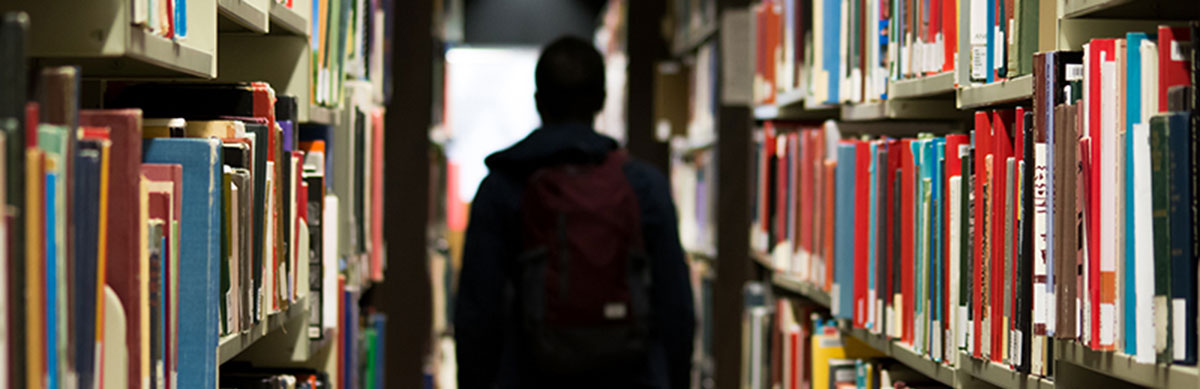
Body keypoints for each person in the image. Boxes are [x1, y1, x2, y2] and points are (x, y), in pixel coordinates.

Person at [454, 36, 695, 389]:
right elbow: (677, 309)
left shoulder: (501, 188)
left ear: (538, 102)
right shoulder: (644, 186)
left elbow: (478, 314)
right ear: (601, 101)